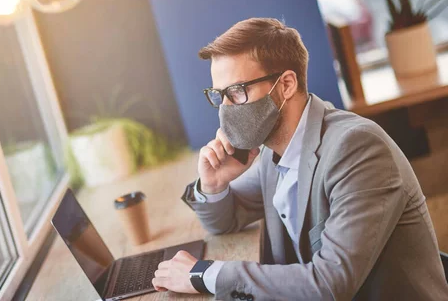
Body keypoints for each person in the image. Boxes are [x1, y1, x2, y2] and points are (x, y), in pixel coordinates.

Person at [151, 18, 448, 300]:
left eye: (237, 91)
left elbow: (330, 285)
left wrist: (204, 274)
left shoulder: (356, 148)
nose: (225, 108)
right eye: (220, 95)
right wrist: (213, 184)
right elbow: (226, 220)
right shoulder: (273, 151)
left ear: (286, 85)